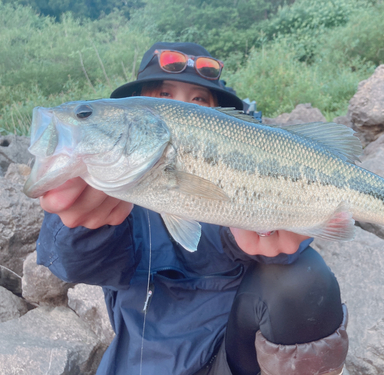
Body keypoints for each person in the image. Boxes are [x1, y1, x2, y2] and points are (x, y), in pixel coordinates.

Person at [36, 42, 349, 375]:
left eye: (199, 100)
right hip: (142, 365)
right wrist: (79, 226)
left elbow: (244, 239)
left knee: (304, 275)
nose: (183, 108)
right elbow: (77, 261)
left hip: (233, 356)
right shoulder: (119, 194)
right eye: (163, 96)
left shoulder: (235, 162)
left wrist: (271, 240)